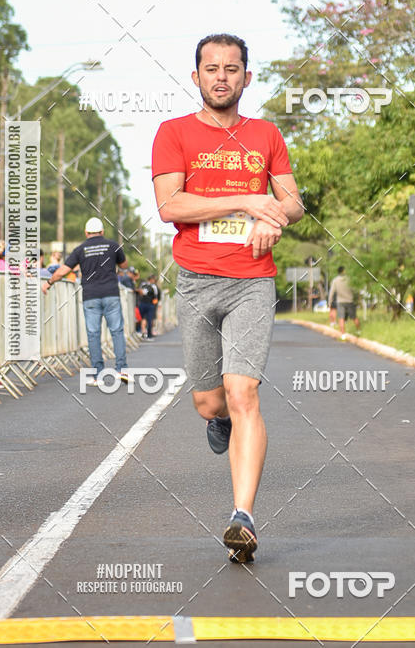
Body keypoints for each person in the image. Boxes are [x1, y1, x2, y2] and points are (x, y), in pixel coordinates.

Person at [152, 33, 303, 563]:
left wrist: (275, 218)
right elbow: (171, 206)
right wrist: (249, 201)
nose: (222, 76)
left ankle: (243, 516)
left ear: (246, 78)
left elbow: (293, 202)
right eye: (211, 68)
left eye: (232, 68)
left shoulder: (265, 135)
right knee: (210, 402)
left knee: (245, 396)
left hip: (252, 282)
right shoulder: (174, 133)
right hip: (196, 280)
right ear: (195, 77)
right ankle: (216, 418)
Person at [41, 217, 129, 380]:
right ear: (102, 232)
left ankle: (98, 374)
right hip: (111, 294)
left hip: (91, 296)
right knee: (116, 331)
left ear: (86, 232)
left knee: (93, 334)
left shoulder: (80, 249)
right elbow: (124, 265)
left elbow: (63, 271)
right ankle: (121, 369)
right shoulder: (113, 246)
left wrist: (48, 283)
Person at [331, 265, 360, 338]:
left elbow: (332, 292)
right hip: (350, 301)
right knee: (354, 317)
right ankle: (359, 330)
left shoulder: (335, 280)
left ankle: (343, 334)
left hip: (340, 302)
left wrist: (329, 302)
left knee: (341, 318)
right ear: (344, 271)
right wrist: (357, 299)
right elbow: (355, 290)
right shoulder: (349, 279)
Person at [138, 274, 161, 339]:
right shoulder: (153, 286)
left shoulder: (142, 284)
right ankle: (148, 334)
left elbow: (139, 292)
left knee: (144, 318)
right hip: (149, 304)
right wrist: (154, 304)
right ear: (151, 279)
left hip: (143, 303)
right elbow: (156, 297)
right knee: (149, 319)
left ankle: (144, 332)